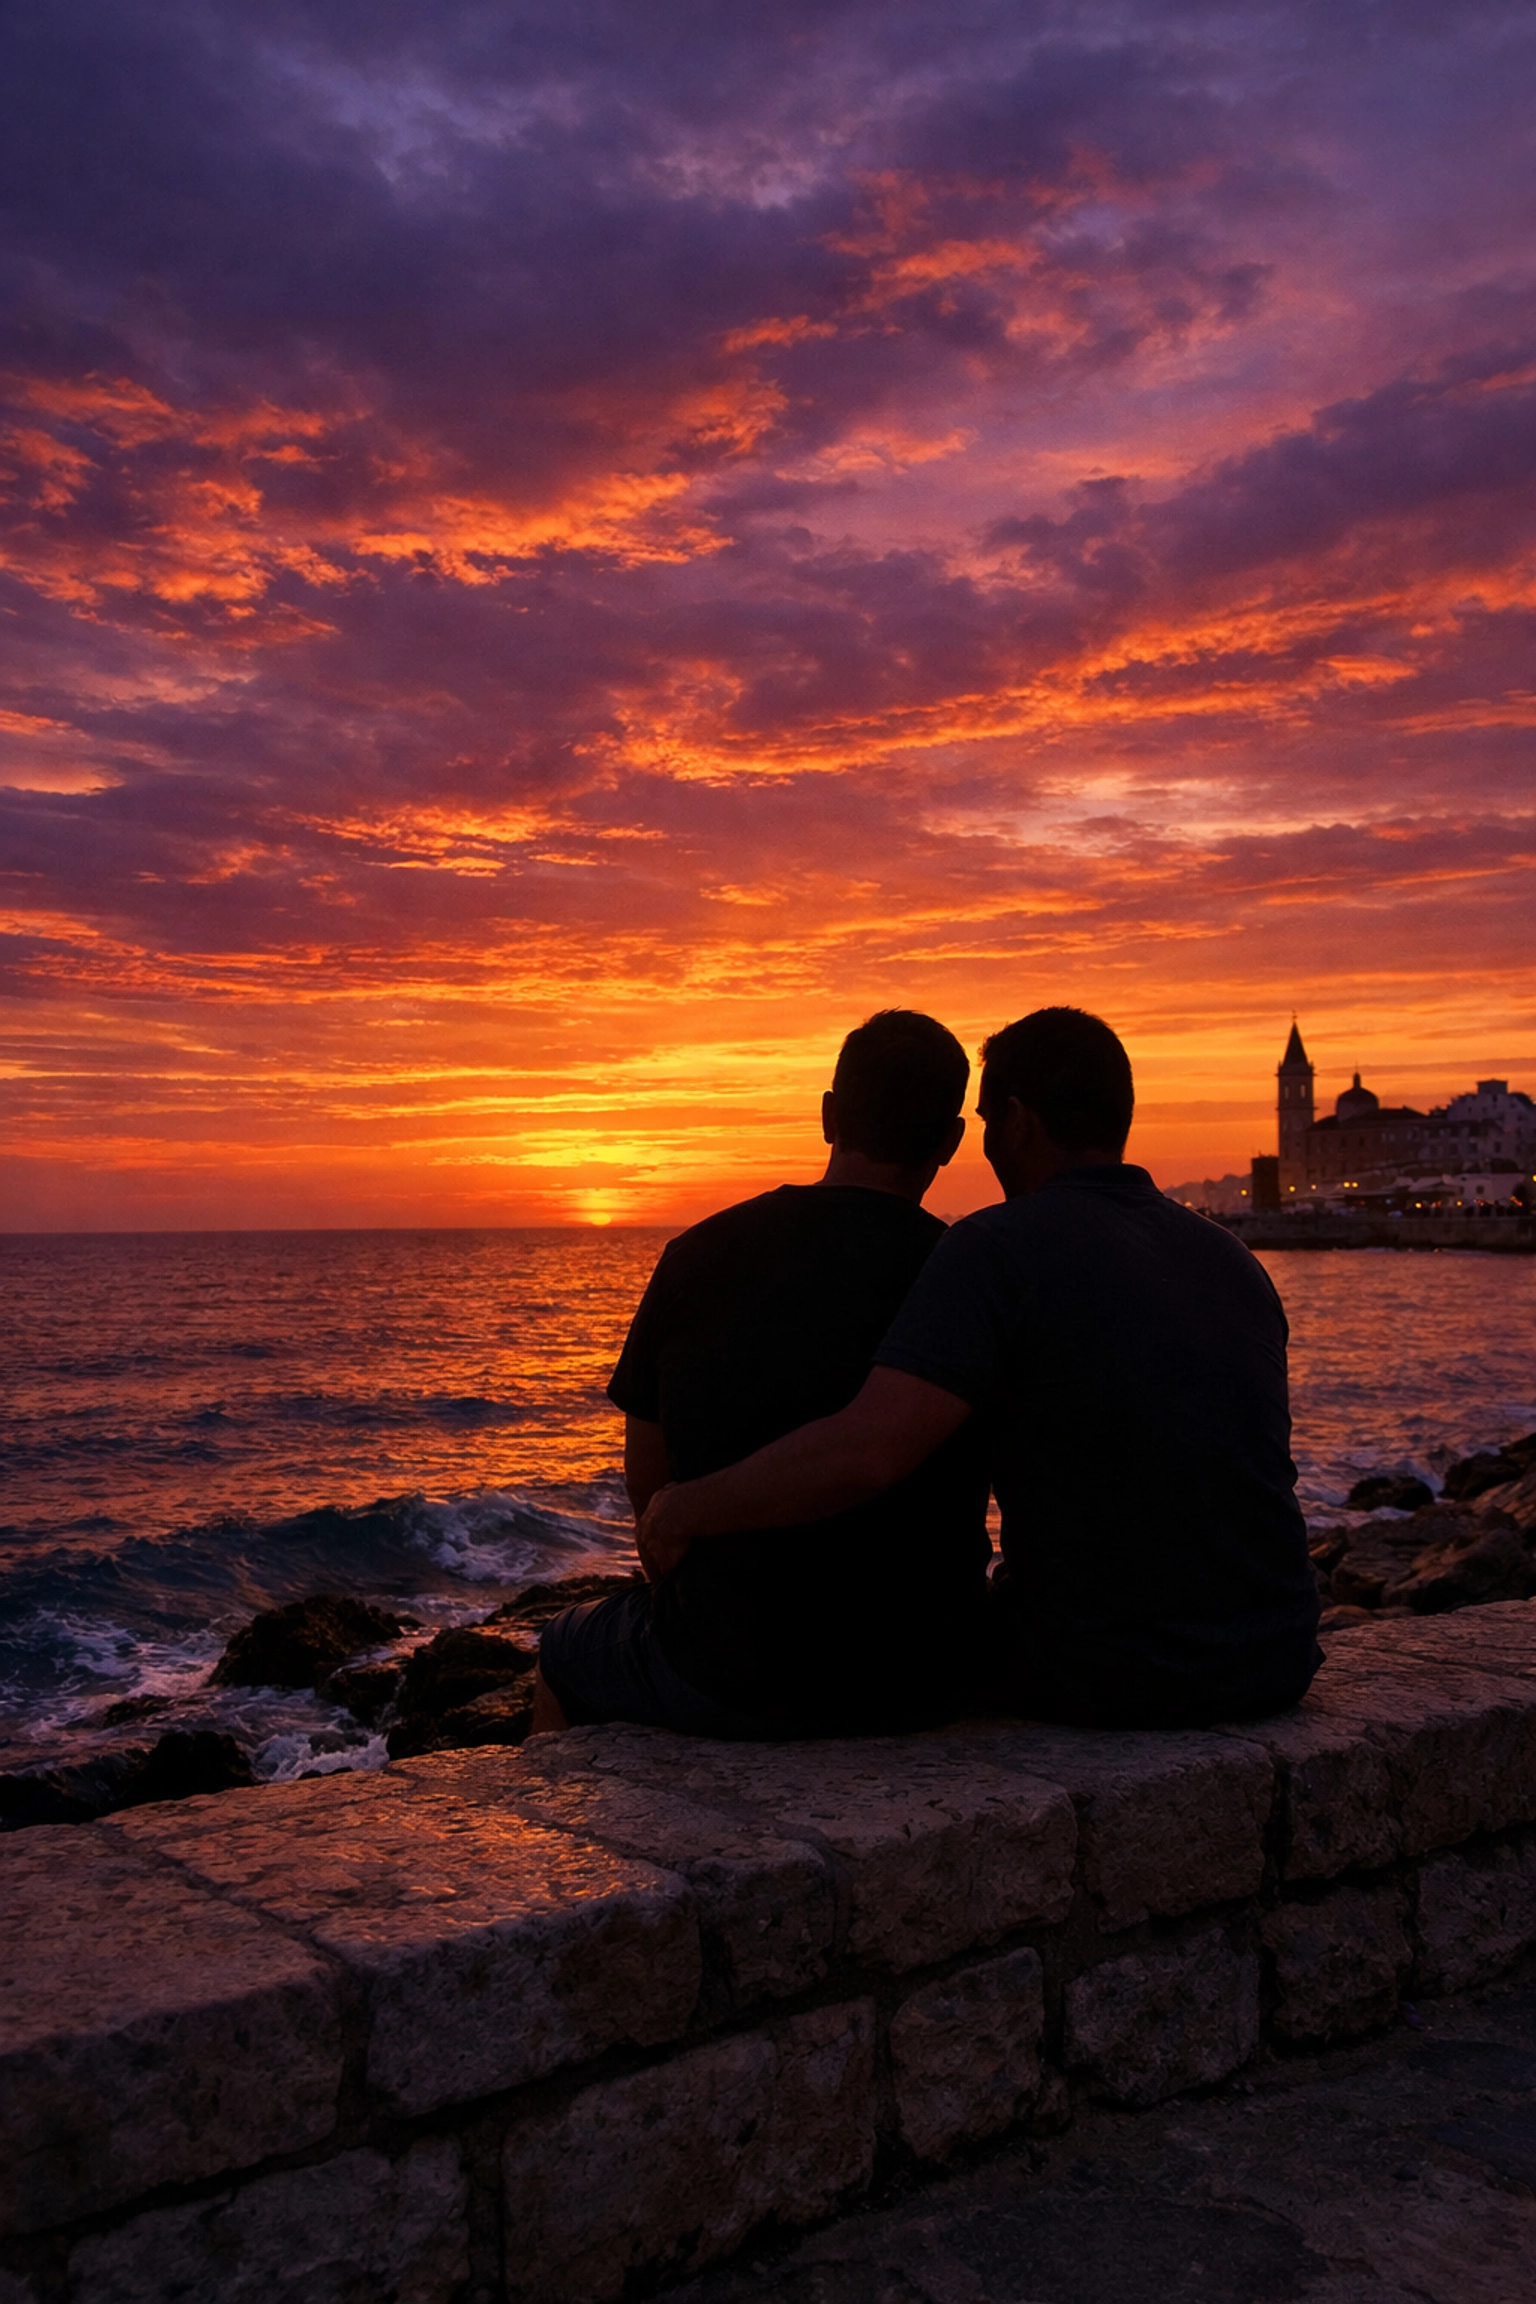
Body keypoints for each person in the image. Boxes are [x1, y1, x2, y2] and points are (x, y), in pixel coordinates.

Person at [640, 1007, 1321, 1729]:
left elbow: (867, 1451)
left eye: (992, 1124)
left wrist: (681, 1509)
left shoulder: (997, 1246)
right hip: (1275, 1657)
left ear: (1019, 1123)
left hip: (1117, 1674)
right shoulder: (1232, 1260)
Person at [531, 1010, 992, 1738]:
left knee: (562, 1650)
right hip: (931, 1670)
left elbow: (647, 1484)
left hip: (735, 1670)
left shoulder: (698, 1257)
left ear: (829, 1116)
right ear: (950, 1138)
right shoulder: (973, 1276)